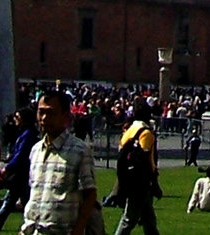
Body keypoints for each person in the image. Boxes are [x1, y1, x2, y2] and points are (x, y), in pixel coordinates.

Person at [22, 91, 99, 235]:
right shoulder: (36, 150)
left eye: (50, 113)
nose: (44, 118)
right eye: (41, 112)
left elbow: (89, 195)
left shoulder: (79, 151)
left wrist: (78, 230)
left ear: (65, 116)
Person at [116, 99, 163, 235]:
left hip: (130, 180)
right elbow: (147, 160)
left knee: (149, 219)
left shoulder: (129, 131)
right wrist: (154, 182)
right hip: (141, 182)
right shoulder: (145, 133)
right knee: (129, 219)